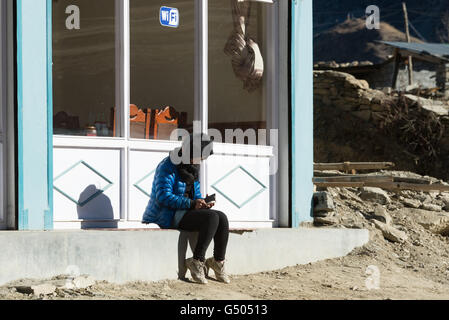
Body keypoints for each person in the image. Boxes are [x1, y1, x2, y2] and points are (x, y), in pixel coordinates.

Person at [142, 133, 230, 284]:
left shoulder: (192, 167)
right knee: (212, 217)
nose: (201, 161)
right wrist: (191, 204)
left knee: (221, 217)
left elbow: (195, 193)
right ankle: (196, 261)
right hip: (168, 214)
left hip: (186, 211)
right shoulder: (167, 166)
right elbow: (163, 196)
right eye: (200, 157)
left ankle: (218, 261)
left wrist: (202, 202)